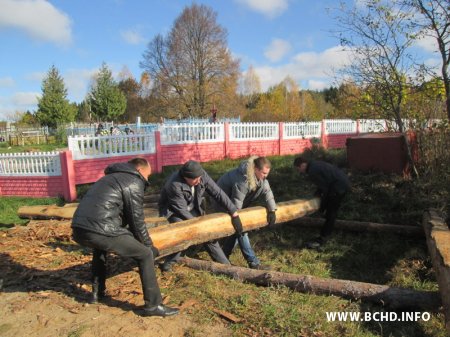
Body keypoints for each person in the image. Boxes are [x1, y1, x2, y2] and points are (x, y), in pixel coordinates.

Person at [71, 158, 179, 317]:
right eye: (147, 176)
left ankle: (97, 293)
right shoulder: (133, 181)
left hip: (79, 228)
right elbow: (137, 221)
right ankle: (153, 305)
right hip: (101, 228)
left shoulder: (108, 178)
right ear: (140, 171)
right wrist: (149, 246)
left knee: (100, 247)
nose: (147, 179)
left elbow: (120, 214)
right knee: (145, 254)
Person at [158, 160, 244, 272]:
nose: (199, 181)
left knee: (207, 233)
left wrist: (234, 212)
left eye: (200, 177)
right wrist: (199, 226)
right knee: (183, 233)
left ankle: (225, 266)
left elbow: (218, 193)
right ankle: (169, 262)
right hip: (174, 211)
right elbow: (182, 210)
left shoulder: (200, 175)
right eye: (195, 179)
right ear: (185, 177)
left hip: (192, 207)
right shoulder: (174, 184)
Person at [213, 156, 277, 270]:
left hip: (234, 205)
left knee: (237, 231)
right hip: (221, 204)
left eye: (267, 173)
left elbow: (267, 192)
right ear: (256, 169)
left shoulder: (260, 178)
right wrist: (236, 217)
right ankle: (254, 263)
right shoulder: (242, 179)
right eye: (264, 173)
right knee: (241, 230)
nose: (265, 176)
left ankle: (223, 256)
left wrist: (272, 210)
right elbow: (236, 201)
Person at [293, 156, 351, 249]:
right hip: (342, 183)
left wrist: (322, 207)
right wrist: (318, 193)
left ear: (303, 165)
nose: (300, 171)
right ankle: (326, 231)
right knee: (330, 211)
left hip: (338, 186)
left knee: (331, 213)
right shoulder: (314, 164)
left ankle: (323, 238)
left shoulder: (312, 171)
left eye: (298, 169)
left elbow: (326, 190)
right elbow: (324, 182)